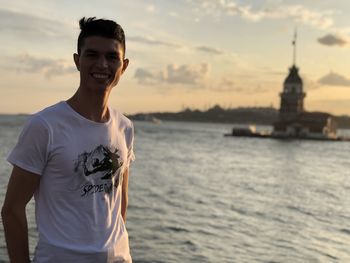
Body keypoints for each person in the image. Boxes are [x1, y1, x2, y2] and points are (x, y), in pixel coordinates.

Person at [1, 17, 134, 263]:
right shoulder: (45, 126)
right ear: (77, 60)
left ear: (123, 65)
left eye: (112, 57)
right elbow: (12, 209)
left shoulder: (125, 127)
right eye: (92, 54)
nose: (102, 64)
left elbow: (120, 199)